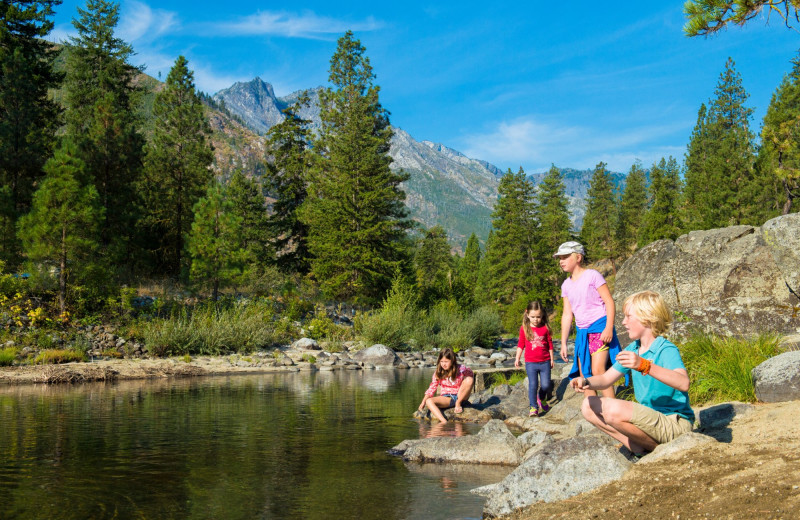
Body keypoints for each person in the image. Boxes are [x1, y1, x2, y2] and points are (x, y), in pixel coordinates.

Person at [570, 290, 694, 454]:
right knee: (588, 405)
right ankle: (640, 447)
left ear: (647, 318)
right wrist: (585, 382)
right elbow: (607, 379)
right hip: (651, 421)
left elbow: (683, 383)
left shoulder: (665, 349)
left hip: (674, 423)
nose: (623, 322)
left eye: (629, 316)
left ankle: (659, 449)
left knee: (613, 409)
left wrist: (644, 365)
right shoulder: (633, 349)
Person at [555, 241, 621, 398]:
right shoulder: (566, 285)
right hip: (582, 334)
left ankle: (612, 409)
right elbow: (567, 315)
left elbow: (609, 301)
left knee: (598, 371)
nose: (560, 261)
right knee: (584, 373)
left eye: (564, 257)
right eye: (559, 258)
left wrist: (608, 327)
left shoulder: (593, 275)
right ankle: (593, 412)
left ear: (578, 257)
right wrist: (563, 342)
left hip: (599, 329)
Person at [514, 301, 555, 417]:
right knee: (533, 384)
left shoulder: (545, 328)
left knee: (546, 385)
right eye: (533, 317)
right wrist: (517, 358)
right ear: (527, 315)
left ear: (542, 315)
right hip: (531, 363)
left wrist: (552, 359)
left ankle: (541, 398)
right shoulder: (524, 328)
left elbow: (550, 344)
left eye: (538, 317)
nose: (535, 319)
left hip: (545, 362)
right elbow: (521, 344)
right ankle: (533, 407)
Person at [418, 348, 474, 423]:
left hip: (460, 395)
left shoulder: (461, 369)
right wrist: (423, 402)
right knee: (429, 401)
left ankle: (458, 403)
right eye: (441, 362)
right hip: (447, 398)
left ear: (452, 361)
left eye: (446, 362)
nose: (443, 364)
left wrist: (465, 380)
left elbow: (470, 377)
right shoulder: (438, 372)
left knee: (469, 379)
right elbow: (432, 388)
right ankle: (444, 421)